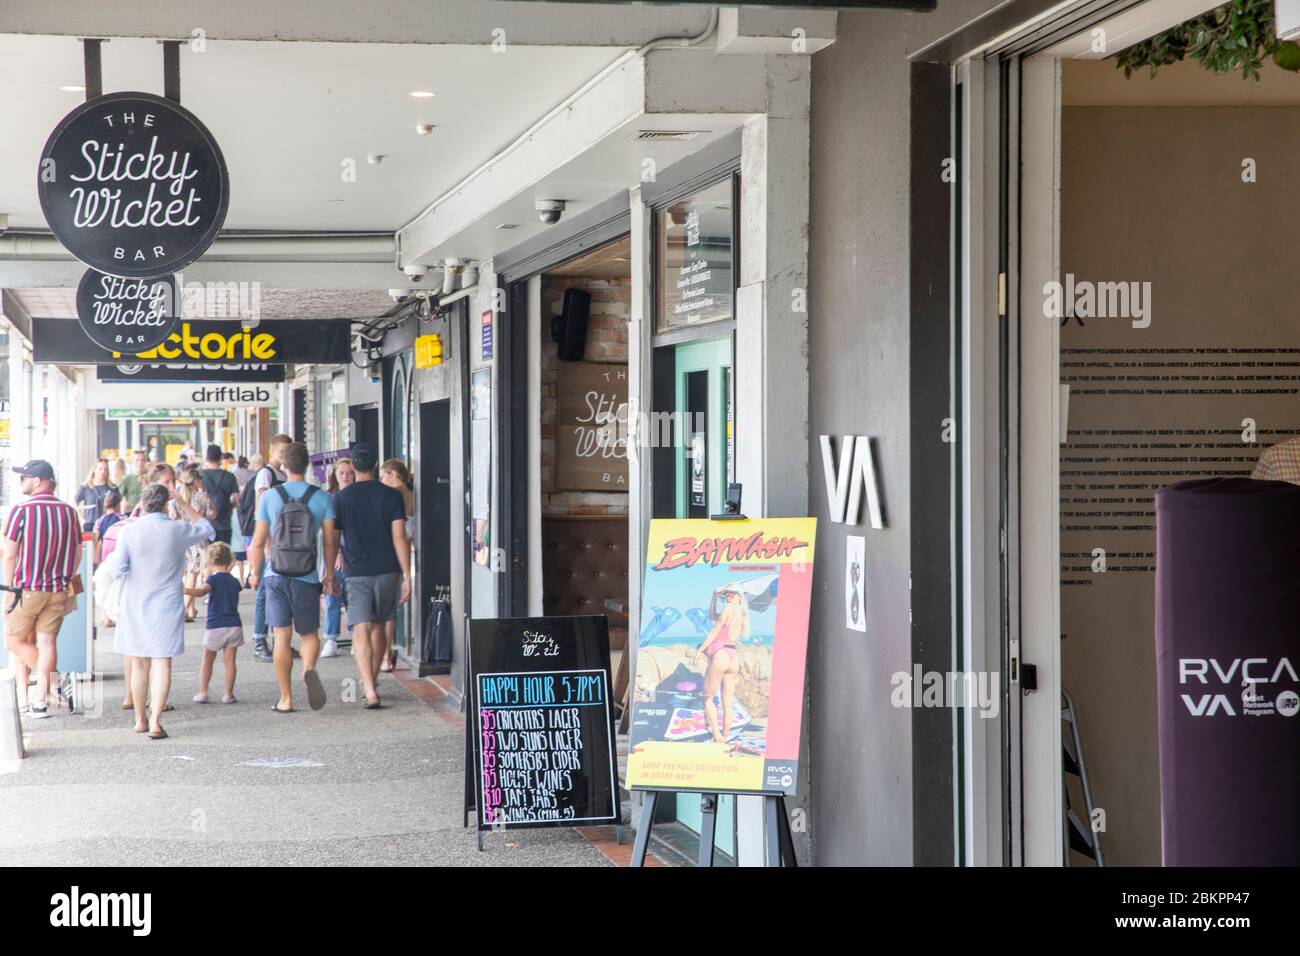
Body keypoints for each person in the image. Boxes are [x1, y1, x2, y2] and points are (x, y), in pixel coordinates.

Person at [106, 482, 214, 739]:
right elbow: (208, 529)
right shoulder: (176, 530)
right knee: (162, 662)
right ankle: (156, 722)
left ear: (142, 504)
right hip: (167, 604)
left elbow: (116, 569)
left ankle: (140, 719)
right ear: (167, 504)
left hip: (136, 603)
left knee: (140, 664)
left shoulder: (130, 532)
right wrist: (184, 503)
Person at [248, 441, 338, 713]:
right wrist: (330, 575)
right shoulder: (322, 498)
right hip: (307, 575)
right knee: (309, 633)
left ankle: (285, 698)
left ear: (283, 466)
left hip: (275, 573)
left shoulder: (270, 497)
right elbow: (331, 542)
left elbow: (259, 540)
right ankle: (308, 670)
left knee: (281, 636)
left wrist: (254, 572)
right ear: (307, 464)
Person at [1, 460, 82, 719]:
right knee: (47, 642)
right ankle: (38, 702)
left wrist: (10, 588)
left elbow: (10, 554)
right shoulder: (69, 512)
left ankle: (52, 682)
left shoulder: (21, 510)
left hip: (27, 589)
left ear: (37, 481)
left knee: (13, 641)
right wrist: (65, 575)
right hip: (58, 589)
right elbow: (78, 551)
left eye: (24, 477)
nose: (21, 482)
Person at [334, 446, 410, 708]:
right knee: (380, 624)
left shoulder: (342, 499)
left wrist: (330, 573)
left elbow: (333, 538)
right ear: (376, 464)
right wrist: (408, 574)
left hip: (356, 572)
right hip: (388, 570)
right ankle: (373, 681)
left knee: (361, 629)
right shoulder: (392, 496)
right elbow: (399, 536)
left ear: (353, 468)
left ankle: (368, 687)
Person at [184, 541, 243, 705]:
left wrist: (183, 589)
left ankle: (203, 692)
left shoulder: (213, 579)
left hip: (216, 625)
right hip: (234, 624)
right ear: (229, 559)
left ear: (209, 561)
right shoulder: (234, 581)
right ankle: (228, 694)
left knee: (207, 660)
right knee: (230, 661)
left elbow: (202, 591)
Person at [248, 436, 291, 662]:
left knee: (277, 591)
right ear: (272, 450)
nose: (284, 455)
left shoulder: (283, 475)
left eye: (288, 451)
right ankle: (258, 640)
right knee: (265, 591)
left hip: (282, 540)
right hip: (270, 541)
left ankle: (279, 641)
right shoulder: (266, 474)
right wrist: (265, 543)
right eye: (281, 450)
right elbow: (260, 510)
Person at [378, 458, 415, 672]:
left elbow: (398, 531)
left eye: (383, 476)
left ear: (393, 475)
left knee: (388, 610)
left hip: (396, 554)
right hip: (408, 550)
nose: (381, 480)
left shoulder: (396, 494)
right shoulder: (409, 491)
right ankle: (387, 652)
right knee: (392, 609)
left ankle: (386, 654)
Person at [322, 457, 356, 658]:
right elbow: (328, 530)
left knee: (352, 597)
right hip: (333, 553)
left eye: (350, 472)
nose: (346, 476)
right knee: (332, 596)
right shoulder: (328, 497)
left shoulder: (358, 496)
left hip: (354, 553)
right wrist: (337, 553)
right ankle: (331, 638)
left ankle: (354, 635)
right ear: (334, 475)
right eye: (341, 472)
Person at [178, 464, 209, 622]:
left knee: (189, 574)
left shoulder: (177, 498)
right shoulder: (200, 497)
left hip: (182, 539)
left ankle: (191, 609)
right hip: (197, 540)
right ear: (196, 481)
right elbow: (206, 516)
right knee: (193, 574)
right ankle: (184, 609)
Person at [74, 458, 116, 533]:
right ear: (94, 470)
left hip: (107, 523)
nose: (103, 472)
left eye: (105, 469)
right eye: (100, 469)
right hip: (90, 524)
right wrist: (82, 520)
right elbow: (75, 503)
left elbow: (117, 505)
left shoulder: (112, 488)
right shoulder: (86, 486)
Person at [93, 489, 124, 564]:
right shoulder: (122, 519)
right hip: (118, 553)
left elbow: (95, 541)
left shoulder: (99, 521)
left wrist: (96, 561)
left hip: (105, 554)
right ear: (118, 505)